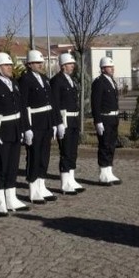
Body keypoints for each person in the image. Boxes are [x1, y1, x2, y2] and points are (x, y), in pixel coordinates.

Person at [0, 52, 29, 215]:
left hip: (15, 129)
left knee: (13, 165)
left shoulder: (13, 83)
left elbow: (21, 107)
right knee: (0, 166)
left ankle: (11, 196)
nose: (10, 68)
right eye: (6, 66)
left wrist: (25, 128)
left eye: (10, 65)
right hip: (1, 131)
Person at [19, 50, 61, 204]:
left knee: (44, 155)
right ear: (29, 64)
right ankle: (33, 188)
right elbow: (22, 105)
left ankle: (41, 184)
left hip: (47, 122)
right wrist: (26, 127)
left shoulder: (44, 79)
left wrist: (56, 122)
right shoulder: (25, 79)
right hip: (34, 123)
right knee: (34, 155)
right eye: (37, 63)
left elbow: (52, 102)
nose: (41, 65)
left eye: (41, 62)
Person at [50, 53, 85, 195]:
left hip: (73, 119)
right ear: (63, 65)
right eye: (70, 64)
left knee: (73, 151)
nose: (73, 66)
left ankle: (71, 178)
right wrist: (58, 123)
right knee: (65, 151)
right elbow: (55, 103)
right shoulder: (57, 81)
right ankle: (64, 182)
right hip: (64, 120)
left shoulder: (70, 80)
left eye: (73, 64)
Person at [91, 57, 122, 185]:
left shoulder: (111, 81)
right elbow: (96, 103)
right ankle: (103, 173)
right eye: (110, 67)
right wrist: (98, 121)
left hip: (113, 118)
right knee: (104, 145)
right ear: (103, 69)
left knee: (111, 145)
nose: (112, 69)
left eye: (113, 66)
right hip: (105, 118)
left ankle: (109, 170)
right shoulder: (99, 82)